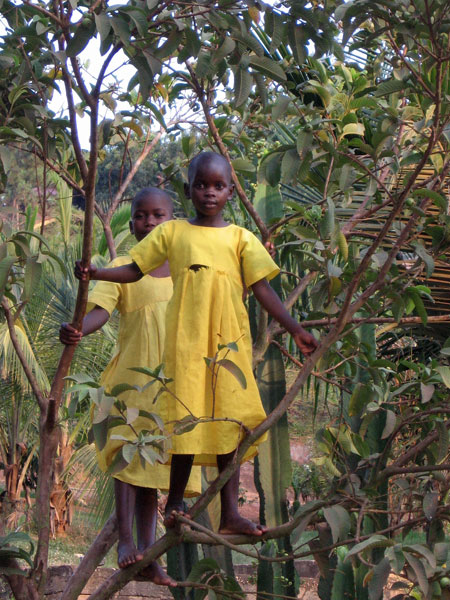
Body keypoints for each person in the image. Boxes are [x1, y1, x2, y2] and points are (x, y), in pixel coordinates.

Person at [75, 152, 318, 538]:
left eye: (218, 186)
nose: (209, 193)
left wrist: (295, 328)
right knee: (185, 419)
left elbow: (263, 289)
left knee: (231, 421)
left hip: (228, 348)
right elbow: (134, 269)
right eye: (201, 185)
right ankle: (174, 501)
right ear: (188, 191)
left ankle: (230, 511)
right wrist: (97, 272)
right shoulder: (173, 234)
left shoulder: (241, 238)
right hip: (187, 344)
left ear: (231, 193)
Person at [61, 187, 200, 585]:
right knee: (126, 461)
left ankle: (147, 552)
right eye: (141, 216)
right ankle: (126, 543)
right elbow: (101, 312)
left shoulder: (186, 266)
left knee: (153, 468)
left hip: (174, 385)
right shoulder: (122, 266)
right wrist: (77, 331)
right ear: (133, 221)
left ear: (173, 221)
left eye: (159, 216)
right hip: (131, 384)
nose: (150, 223)